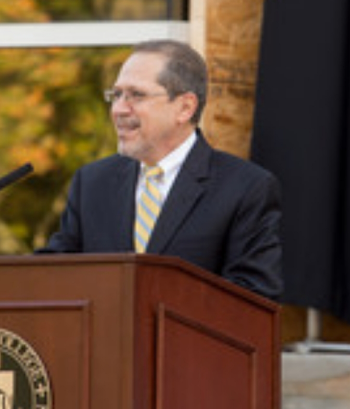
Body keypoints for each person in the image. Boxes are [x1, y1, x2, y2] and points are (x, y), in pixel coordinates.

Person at [37, 39, 283, 300]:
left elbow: (253, 297)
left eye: (136, 95)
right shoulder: (92, 182)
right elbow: (56, 273)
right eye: (117, 95)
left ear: (185, 107)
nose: (119, 109)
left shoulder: (245, 188)